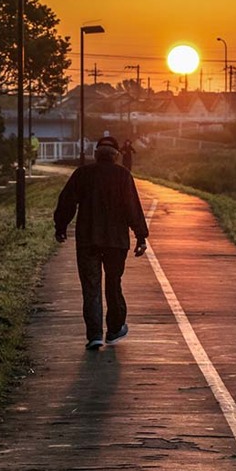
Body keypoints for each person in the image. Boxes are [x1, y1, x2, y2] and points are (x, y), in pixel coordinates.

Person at [53, 135, 149, 350]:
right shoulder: (123, 176)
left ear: (96, 154)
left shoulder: (83, 174)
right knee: (113, 284)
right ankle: (114, 329)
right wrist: (141, 236)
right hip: (116, 241)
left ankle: (94, 334)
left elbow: (66, 202)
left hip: (88, 240)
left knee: (91, 287)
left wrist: (60, 227)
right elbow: (132, 208)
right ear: (116, 156)